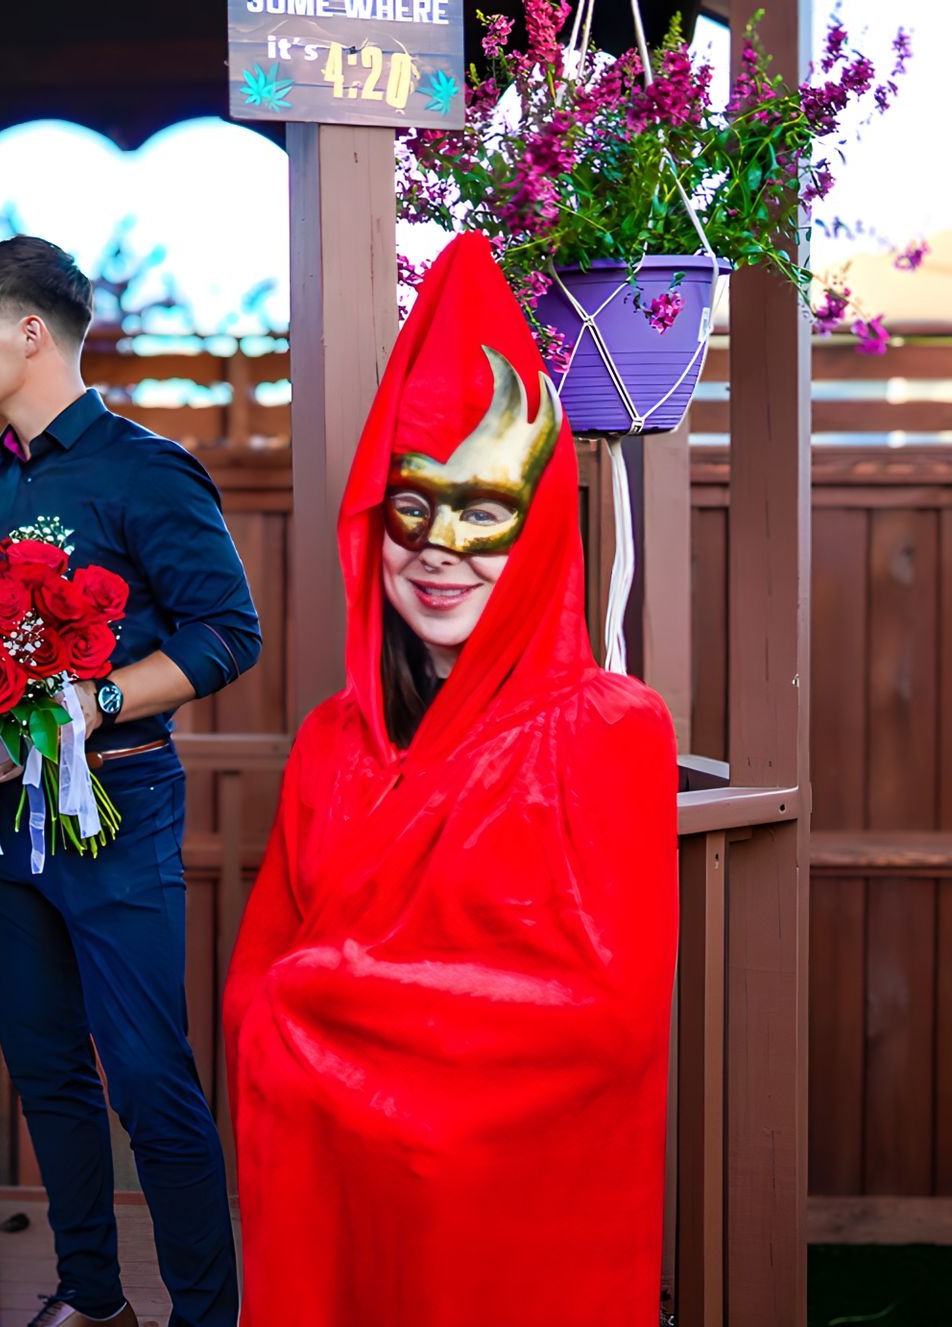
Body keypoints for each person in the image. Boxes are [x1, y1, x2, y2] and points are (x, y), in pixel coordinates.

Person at [223, 234, 679, 1326]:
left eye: (483, 513)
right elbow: (257, 983)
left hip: (516, 1227)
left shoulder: (611, 730)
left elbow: (607, 1018)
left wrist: (321, 1007)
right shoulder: (333, 739)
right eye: (412, 509)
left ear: (538, 536)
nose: (437, 551)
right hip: (334, 1196)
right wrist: (305, 1026)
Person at [0, 236, 260, 1327]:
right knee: (44, 1071)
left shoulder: (145, 466)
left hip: (120, 806)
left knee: (148, 1076)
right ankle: (92, 1298)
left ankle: (205, 1316)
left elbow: (230, 633)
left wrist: (98, 701)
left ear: (31, 334)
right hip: (1, 821)